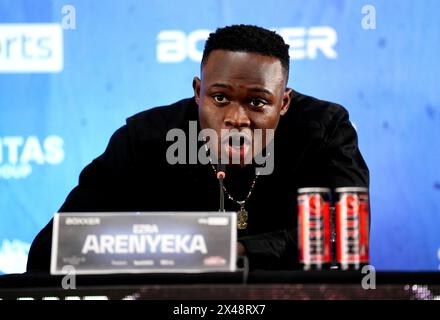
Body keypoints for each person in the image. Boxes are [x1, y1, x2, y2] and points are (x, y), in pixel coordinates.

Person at [26, 24, 369, 272]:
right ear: (198, 91)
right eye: (219, 98)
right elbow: (55, 247)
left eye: (257, 102)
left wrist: (235, 250)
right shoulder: (147, 137)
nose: (236, 118)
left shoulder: (323, 129)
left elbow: (344, 232)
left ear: (283, 103)